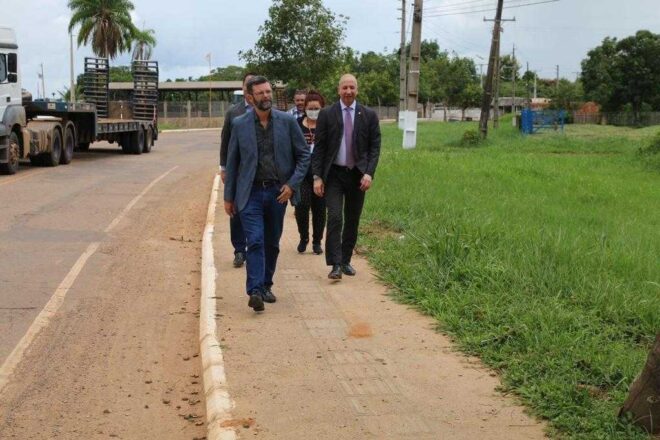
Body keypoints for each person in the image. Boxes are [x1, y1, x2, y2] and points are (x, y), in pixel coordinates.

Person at [224, 76, 310, 312]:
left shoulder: (287, 122)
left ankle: (265, 285)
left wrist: (292, 185)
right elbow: (232, 162)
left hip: (277, 193)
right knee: (255, 240)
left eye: (268, 92)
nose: (266, 96)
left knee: (272, 242)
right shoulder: (239, 124)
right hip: (249, 192)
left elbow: (304, 155)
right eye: (260, 93)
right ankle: (254, 291)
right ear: (250, 97)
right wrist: (228, 197)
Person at [312, 74, 381, 280]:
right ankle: (334, 264)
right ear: (338, 90)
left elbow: (374, 147)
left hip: (358, 175)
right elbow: (319, 148)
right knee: (335, 217)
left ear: (357, 90)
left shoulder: (368, 115)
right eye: (345, 88)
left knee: (352, 219)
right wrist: (317, 177)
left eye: (352, 87)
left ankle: (345, 260)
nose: (348, 91)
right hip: (334, 174)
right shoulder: (327, 114)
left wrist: (369, 172)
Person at [220, 72, 255, 268]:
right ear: (243, 88)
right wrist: (224, 168)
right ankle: (239, 250)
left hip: (259, 173)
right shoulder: (233, 113)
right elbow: (225, 142)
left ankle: (255, 247)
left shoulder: (268, 111)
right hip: (238, 171)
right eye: (247, 84)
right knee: (236, 210)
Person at [294, 91, 326, 255]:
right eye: (310, 108)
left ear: (322, 108)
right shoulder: (296, 125)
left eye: (317, 108)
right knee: (301, 206)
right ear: (305, 108)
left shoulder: (326, 126)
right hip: (302, 173)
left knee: (319, 209)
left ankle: (317, 241)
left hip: (321, 173)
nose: (313, 111)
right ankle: (303, 237)